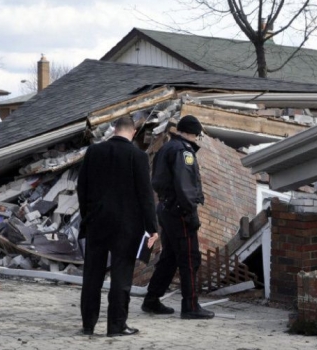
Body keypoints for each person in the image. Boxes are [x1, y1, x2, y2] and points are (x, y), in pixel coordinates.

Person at [76, 116, 159, 337]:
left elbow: (81, 187)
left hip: (96, 223)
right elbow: (145, 195)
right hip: (126, 226)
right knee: (121, 278)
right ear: (133, 132)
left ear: (114, 130)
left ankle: (88, 325)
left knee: (92, 275)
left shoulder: (94, 152)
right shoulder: (138, 156)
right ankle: (116, 325)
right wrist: (153, 227)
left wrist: (87, 216)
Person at [141, 115, 214, 319]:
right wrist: (190, 211)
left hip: (166, 208)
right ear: (193, 133)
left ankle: (152, 300)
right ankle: (190, 306)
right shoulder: (184, 151)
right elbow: (185, 185)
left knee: (170, 257)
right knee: (190, 258)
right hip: (179, 210)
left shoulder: (167, 147)